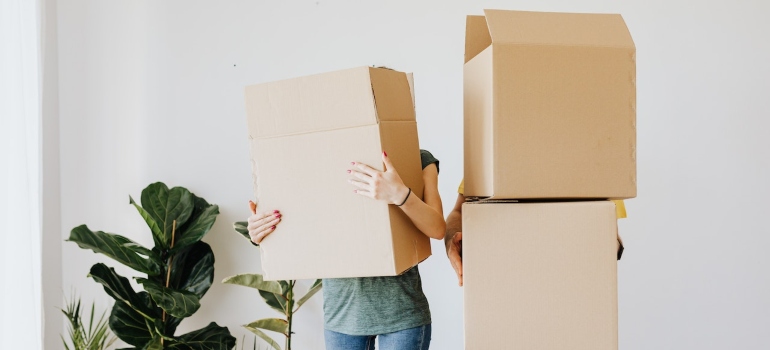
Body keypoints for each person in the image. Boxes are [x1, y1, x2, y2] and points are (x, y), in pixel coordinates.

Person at [247, 150, 444, 350]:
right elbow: (297, 220)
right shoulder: (315, 159)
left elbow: (437, 229)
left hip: (401, 315)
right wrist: (261, 232)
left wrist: (399, 194)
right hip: (342, 317)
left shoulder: (416, 157)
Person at [444, 180, 627, 286]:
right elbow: (460, 212)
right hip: (502, 284)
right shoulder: (493, 151)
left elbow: (610, 235)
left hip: (572, 287)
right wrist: (450, 244)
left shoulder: (595, 160)